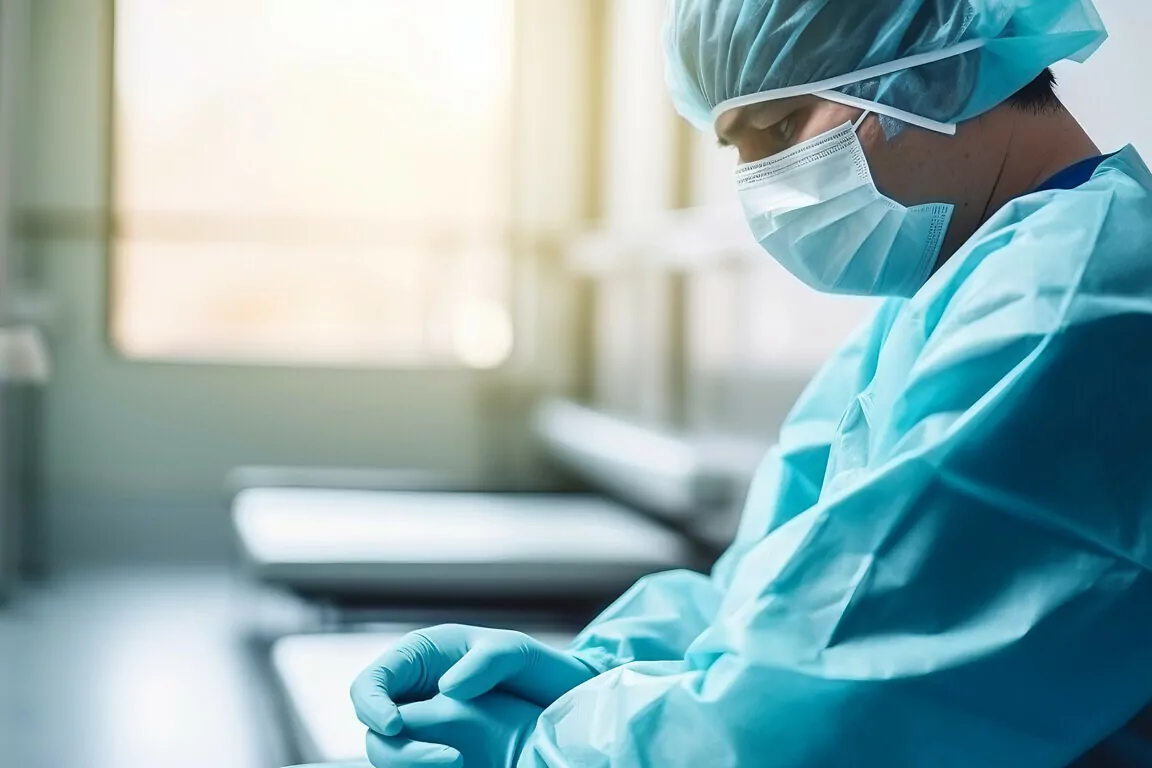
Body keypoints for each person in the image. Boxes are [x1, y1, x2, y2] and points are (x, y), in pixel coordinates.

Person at [348, 1, 1152, 765]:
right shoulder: (953, 297)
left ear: (935, 76)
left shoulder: (1074, 306)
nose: (759, 186)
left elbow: (818, 713)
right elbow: (773, 593)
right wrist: (596, 670)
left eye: (779, 128)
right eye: (737, 148)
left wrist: (544, 749)